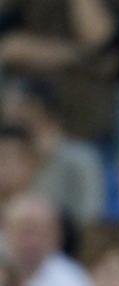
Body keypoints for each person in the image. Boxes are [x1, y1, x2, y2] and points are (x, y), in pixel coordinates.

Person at [0, 0, 119, 143]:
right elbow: (9, 46)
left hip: (85, 114)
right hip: (28, 111)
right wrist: (84, 56)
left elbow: (98, 36)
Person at [0, 78, 105, 226]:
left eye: (13, 104)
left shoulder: (80, 159)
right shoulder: (7, 154)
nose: (7, 111)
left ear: (34, 107)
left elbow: (91, 217)